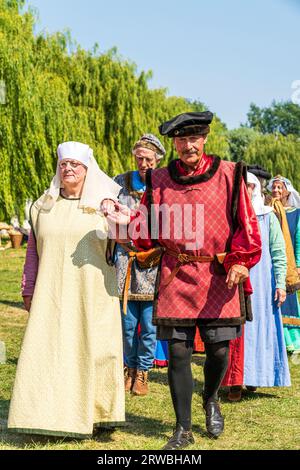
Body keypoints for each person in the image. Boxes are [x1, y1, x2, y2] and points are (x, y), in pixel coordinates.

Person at [103, 111, 262, 449]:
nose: (189, 145)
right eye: (181, 139)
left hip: (219, 275)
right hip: (176, 275)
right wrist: (123, 223)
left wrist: (241, 260)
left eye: (195, 138)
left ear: (204, 139)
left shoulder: (230, 174)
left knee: (219, 350)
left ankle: (211, 398)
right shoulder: (159, 179)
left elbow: (247, 226)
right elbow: (146, 231)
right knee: (178, 352)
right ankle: (183, 428)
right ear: (174, 143)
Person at [8, 141, 125, 438]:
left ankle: (98, 415)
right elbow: (32, 251)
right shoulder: (42, 206)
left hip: (94, 292)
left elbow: (129, 242)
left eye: (75, 165)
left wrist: (121, 222)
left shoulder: (104, 206)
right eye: (64, 164)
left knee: (95, 350)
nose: (68, 169)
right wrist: (29, 287)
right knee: (51, 349)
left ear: (88, 170)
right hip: (52, 292)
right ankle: (47, 413)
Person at [223, 172, 290, 401]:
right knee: (237, 331)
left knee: (259, 331)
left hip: (262, 283)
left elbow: (278, 253)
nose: (247, 191)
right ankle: (235, 382)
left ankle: (254, 377)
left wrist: (280, 284)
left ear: (257, 188)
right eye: (244, 187)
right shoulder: (231, 216)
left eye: (251, 186)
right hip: (235, 283)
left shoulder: (267, 216)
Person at [111, 134, 168, 395]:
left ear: (157, 159)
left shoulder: (165, 185)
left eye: (148, 158)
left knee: (149, 322)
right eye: (139, 158)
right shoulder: (119, 182)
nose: (143, 162)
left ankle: (143, 373)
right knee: (127, 322)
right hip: (126, 259)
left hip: (154, 260)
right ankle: (128, 369)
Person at [267, 175, 300, 353]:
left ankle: (293, 341)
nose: (276, 191)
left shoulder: (296, 213)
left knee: (290, 299)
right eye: (274, 187)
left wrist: (299, 265)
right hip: (271, 262)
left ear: (287, 190)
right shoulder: (267, 210)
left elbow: (298, 241)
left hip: (289, 264)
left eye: (280, 188)